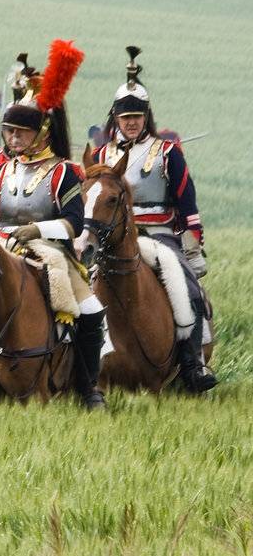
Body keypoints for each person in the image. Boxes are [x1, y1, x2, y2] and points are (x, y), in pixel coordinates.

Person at [0, 42, 104, 408]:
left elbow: (75, 223)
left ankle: (88, 387)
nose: (13, 139)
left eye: (20, 133)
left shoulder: (64, 172)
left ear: (41, 132)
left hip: (50, 251)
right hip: (0, 246)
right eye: (9, 132)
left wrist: (37, 231)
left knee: (90, 310)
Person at [95, 47, 214, 391]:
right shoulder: (103, 155)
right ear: (115, 119)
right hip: (110, 238)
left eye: (137, 116)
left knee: (186, 287)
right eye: (124, 117)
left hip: (159, 235)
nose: (131, 122)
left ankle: (193, 362)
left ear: (146, 117)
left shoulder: (167, 152)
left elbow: (186, 201)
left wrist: (193, 242)